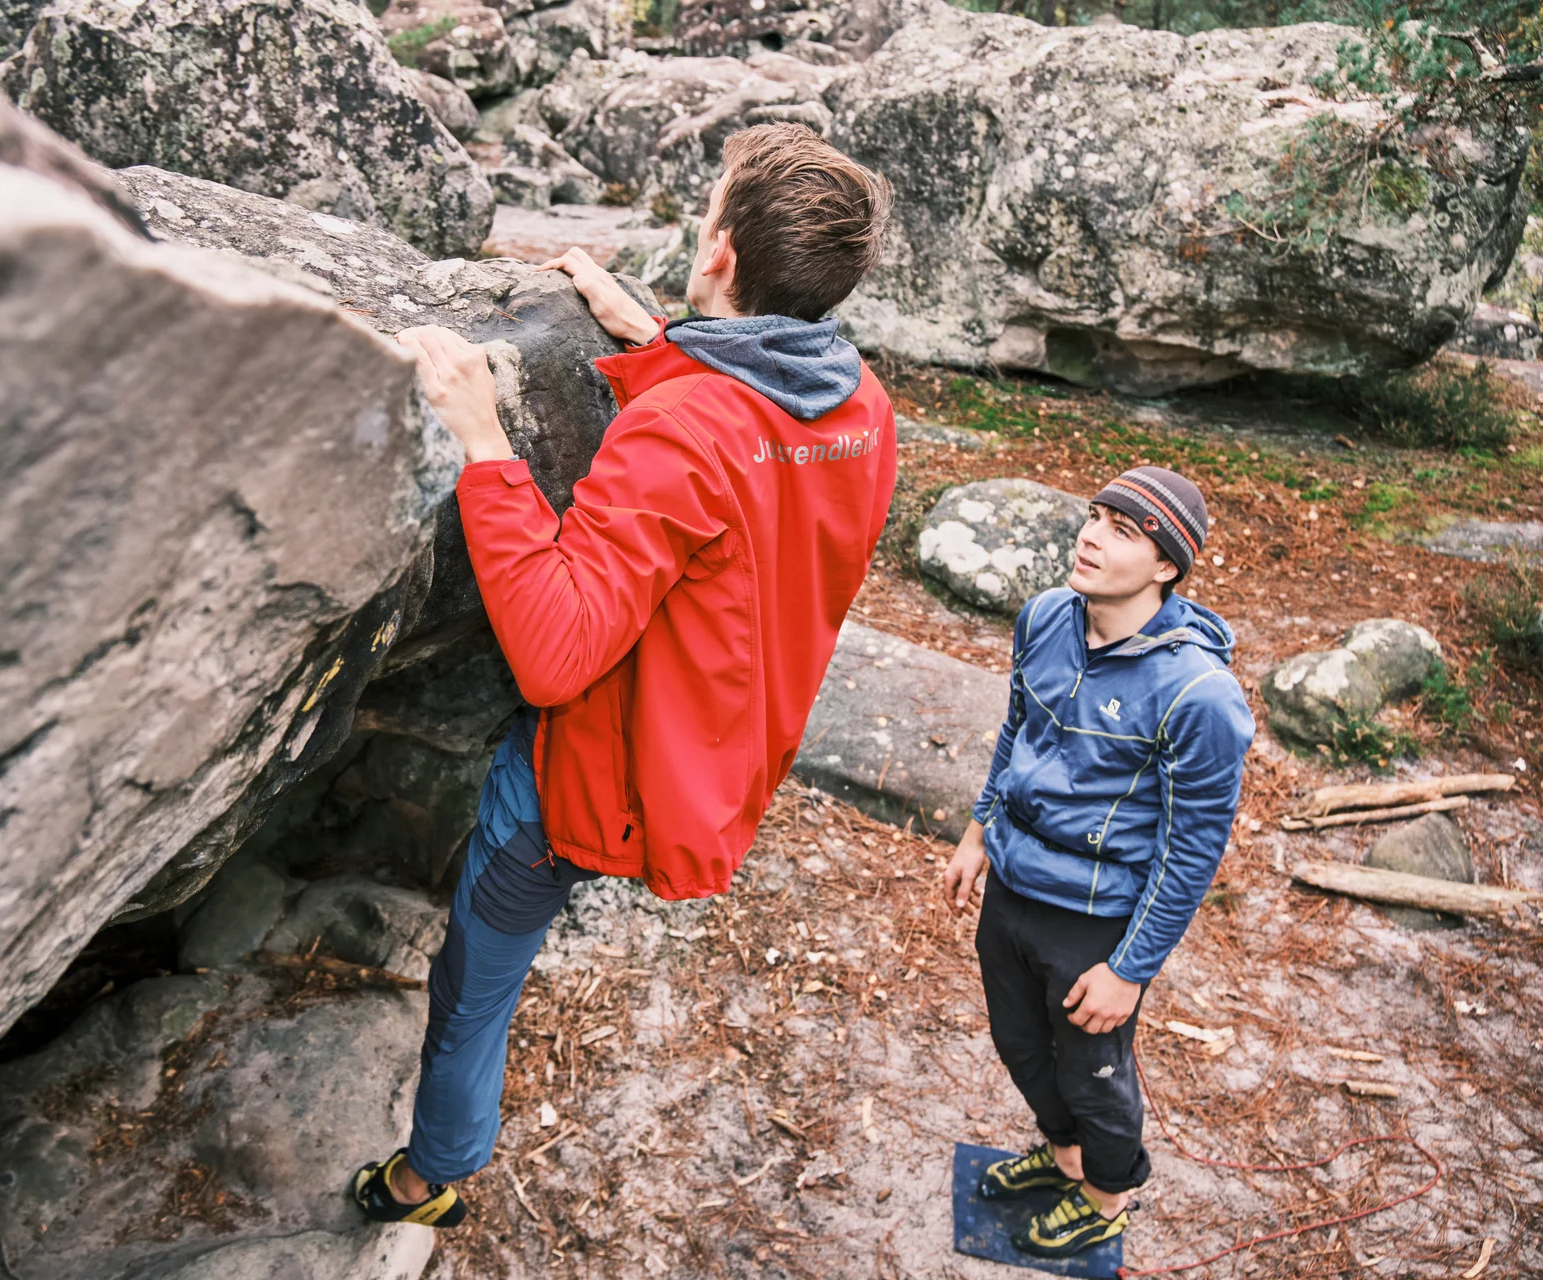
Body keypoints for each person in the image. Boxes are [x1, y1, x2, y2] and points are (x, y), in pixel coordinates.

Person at [349, 123, 897, 1227]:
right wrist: (653, 336)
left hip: (584, 783)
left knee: (474, 989)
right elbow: (749, 466)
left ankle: (429, 1175)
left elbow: (554, 654)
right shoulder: (858, 406)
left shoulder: (689, 428)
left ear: (722, 256)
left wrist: (486, 441)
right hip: (717, 753)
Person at [941, 467, 1255, 1259]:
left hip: (1098, 921)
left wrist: (1131, 969)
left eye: (1124, 530)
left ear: (1165, 568)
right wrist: (979, 830)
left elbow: (1193, 848)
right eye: (1094, 516)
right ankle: (1064, 1159)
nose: (1090, 536)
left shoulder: (1200, 695)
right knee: (1018, 1040)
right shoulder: (1045, 618)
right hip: (1014, 883)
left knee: (1094, 1074)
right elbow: (1019, 731)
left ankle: (1107, 1197)